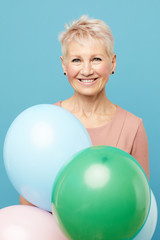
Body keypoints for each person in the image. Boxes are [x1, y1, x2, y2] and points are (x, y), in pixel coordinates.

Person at [20, 15, 149, 206]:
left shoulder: (133, 127)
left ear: (112, 63)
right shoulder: (46, 124)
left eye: (96, 59)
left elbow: (139, 204)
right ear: (64, 65)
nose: (87, 70)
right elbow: (29, 207)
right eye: (76, 60)